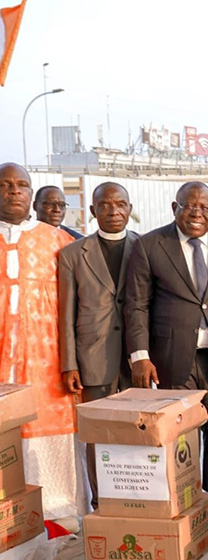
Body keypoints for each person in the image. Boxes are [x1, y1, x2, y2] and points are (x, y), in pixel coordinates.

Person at [124, 181, 208, 532]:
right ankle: (181, 498)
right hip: (171, 355)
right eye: (190, 206)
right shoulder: (150, 245)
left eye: (205, 208)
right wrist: (139, 355)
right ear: (175, 207)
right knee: (179, 433)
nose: (198, 213)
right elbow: (136, 304)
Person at [0, 163, 86, 529]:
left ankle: (57, 515)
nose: (14, 191)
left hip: (48, 360)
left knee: (52, 435)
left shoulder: (57, 240)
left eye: (21, 185)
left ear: (30, 193)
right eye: (5, 185)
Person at [58, 181, 138, 509]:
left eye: (120, 204)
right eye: (105, 205)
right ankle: (102, 503)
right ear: (93, 211)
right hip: (93, 357)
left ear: (130, 209)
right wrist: (69, 363)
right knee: (98, 433)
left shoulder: (146, 247)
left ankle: (136, 497)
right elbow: (65, 313)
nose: (113, 211)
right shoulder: (72, 254)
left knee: (136, 430)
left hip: (136, 357)